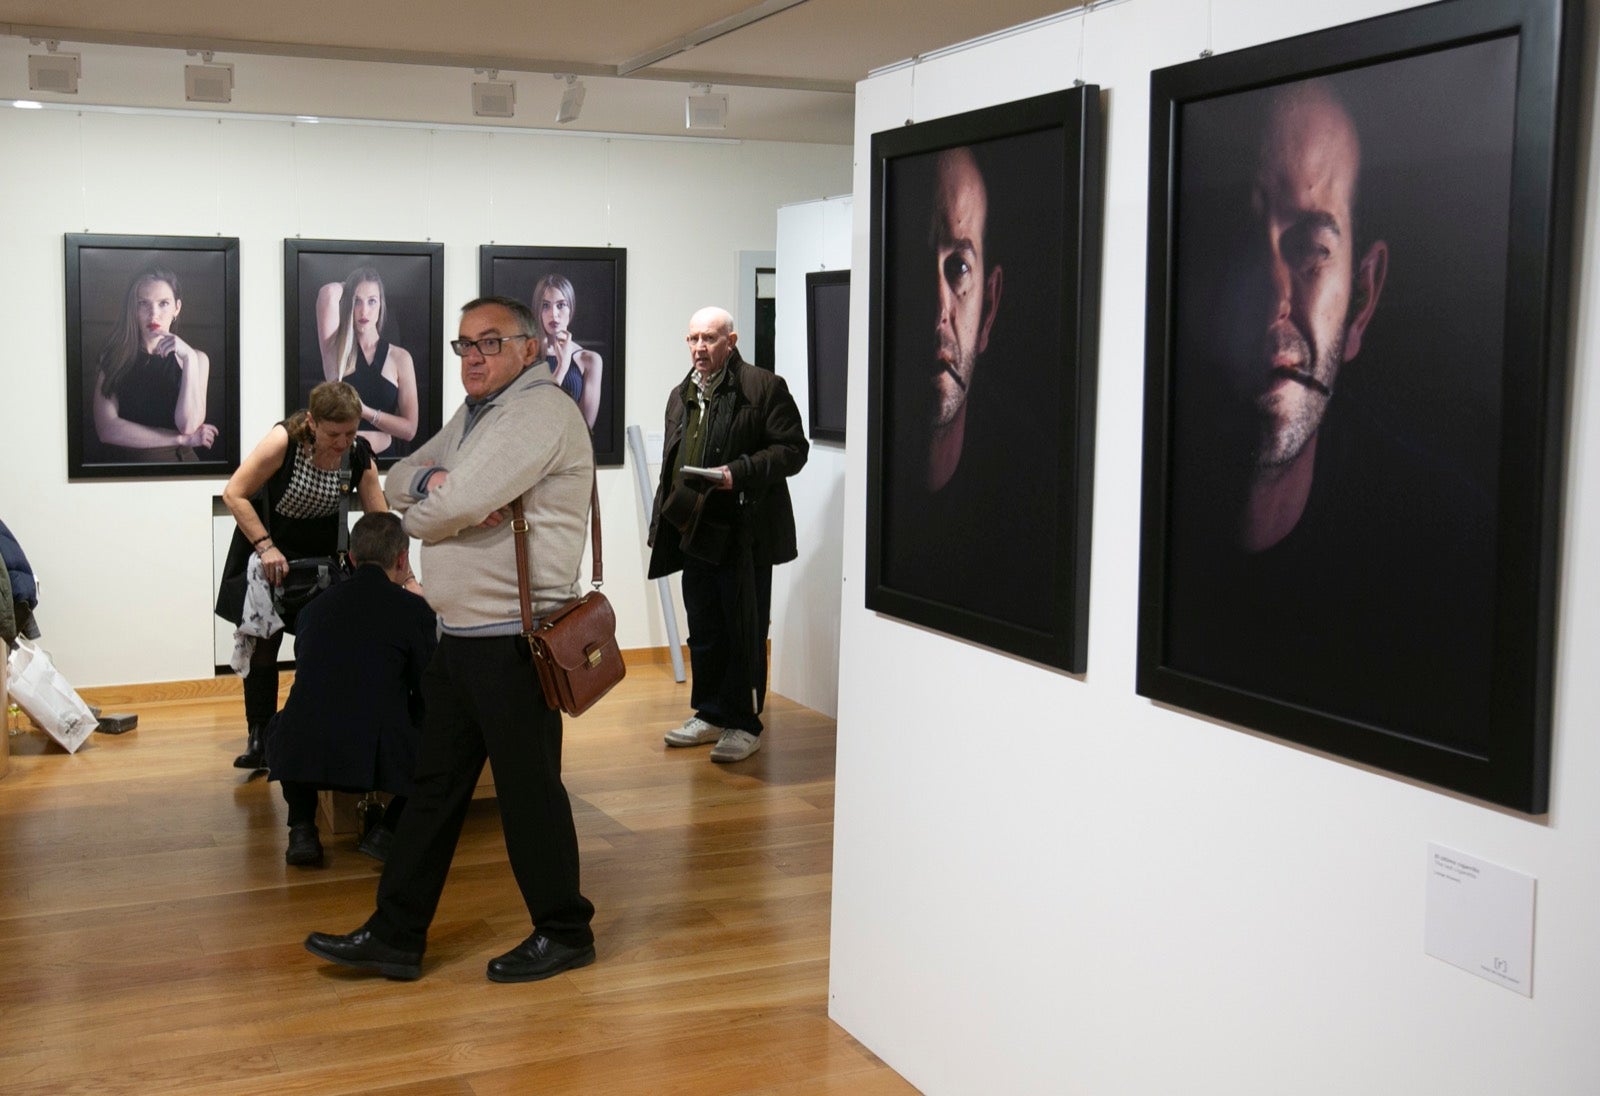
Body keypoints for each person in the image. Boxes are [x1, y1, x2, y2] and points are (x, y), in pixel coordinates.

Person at [1163, 77, 1495, 749]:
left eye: (1312, 249)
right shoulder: (1150, 511)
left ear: (1364, 296)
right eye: (1242, 246)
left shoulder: (1447, 562)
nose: (1272, 307)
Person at [304, 295, 596, 983]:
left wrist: (442, 504)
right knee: (432, 790)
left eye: (489, 343)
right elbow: (402, 474)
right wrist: (440, 485)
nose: (473, 357)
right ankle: (397, 934)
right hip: (462, 637)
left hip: (512, 644)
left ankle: (565, 931)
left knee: (530, 794)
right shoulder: (476, 414)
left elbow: (443, 512)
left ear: (529, 347)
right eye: (464, 344)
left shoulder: (539, 411)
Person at [880, 143, 1055, 634]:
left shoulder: (1031, 500)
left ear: (990, 306)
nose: (939, 308)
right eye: (919, 268)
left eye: (958, 267)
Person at [647, 306, 807, 763]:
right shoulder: (681, 395)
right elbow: (670, 463)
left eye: (710, 339)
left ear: (731, 342)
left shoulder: (763, 387)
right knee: (705, 628)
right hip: (692, 529)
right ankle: (711, 713)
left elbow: (793, 451)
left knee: (743, 629)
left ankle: (744, 722)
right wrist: (662, 521)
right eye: (694, 338)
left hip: (743, 530)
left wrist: (739, 473)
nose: (700, 347)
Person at [216, 381, 387, 772]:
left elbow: (380, 521)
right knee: (264, 646)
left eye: (351, 433)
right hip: (272, 558)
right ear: (312, 422)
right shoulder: (284, 442)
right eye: (333, 434)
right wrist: (265, 545)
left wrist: (401, 573)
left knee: (326, 644)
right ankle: (259, 734)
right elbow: (234, 493)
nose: (343, 442)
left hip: (325, 561)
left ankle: (311, 727)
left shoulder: (358, 454)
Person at [264, 511, 435, 867]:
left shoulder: (312, 609)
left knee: (286, 721)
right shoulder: (415, 611)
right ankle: (390, 830)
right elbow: (427, 686)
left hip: (306, 750)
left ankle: (302, 829)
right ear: (403, 559)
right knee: (444, 736)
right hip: (377, 756)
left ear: (352, 559)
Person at [92, 267, 219, 461]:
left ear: (177, 308)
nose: (154, 314)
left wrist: (189, 359)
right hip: (132, 467)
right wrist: (180, 439)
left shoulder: (197, 359)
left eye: (163, 304)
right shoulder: (112, 359)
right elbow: (108, 430)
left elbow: (188, 425)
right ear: (133, 309)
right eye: (143, 303)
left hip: (185, 465)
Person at [317, 267, 420, 457]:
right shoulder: (336, 351)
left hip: (386, 466)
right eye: (357, 301)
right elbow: (328, 292)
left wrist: (365, 412)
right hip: (341, 464)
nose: (364, 311)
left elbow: (409, 430)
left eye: (372, 301)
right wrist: (349, 286)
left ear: (381, 305)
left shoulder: (400, 358)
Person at [533, 272, 603, 430]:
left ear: (571, 308)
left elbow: (584, 429)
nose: (554, 314)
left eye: (561, 305)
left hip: (572, 451)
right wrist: (562, 367)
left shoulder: (589, 360)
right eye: (545, 305)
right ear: (537, 310)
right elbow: (534, 415)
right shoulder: (527, 357)